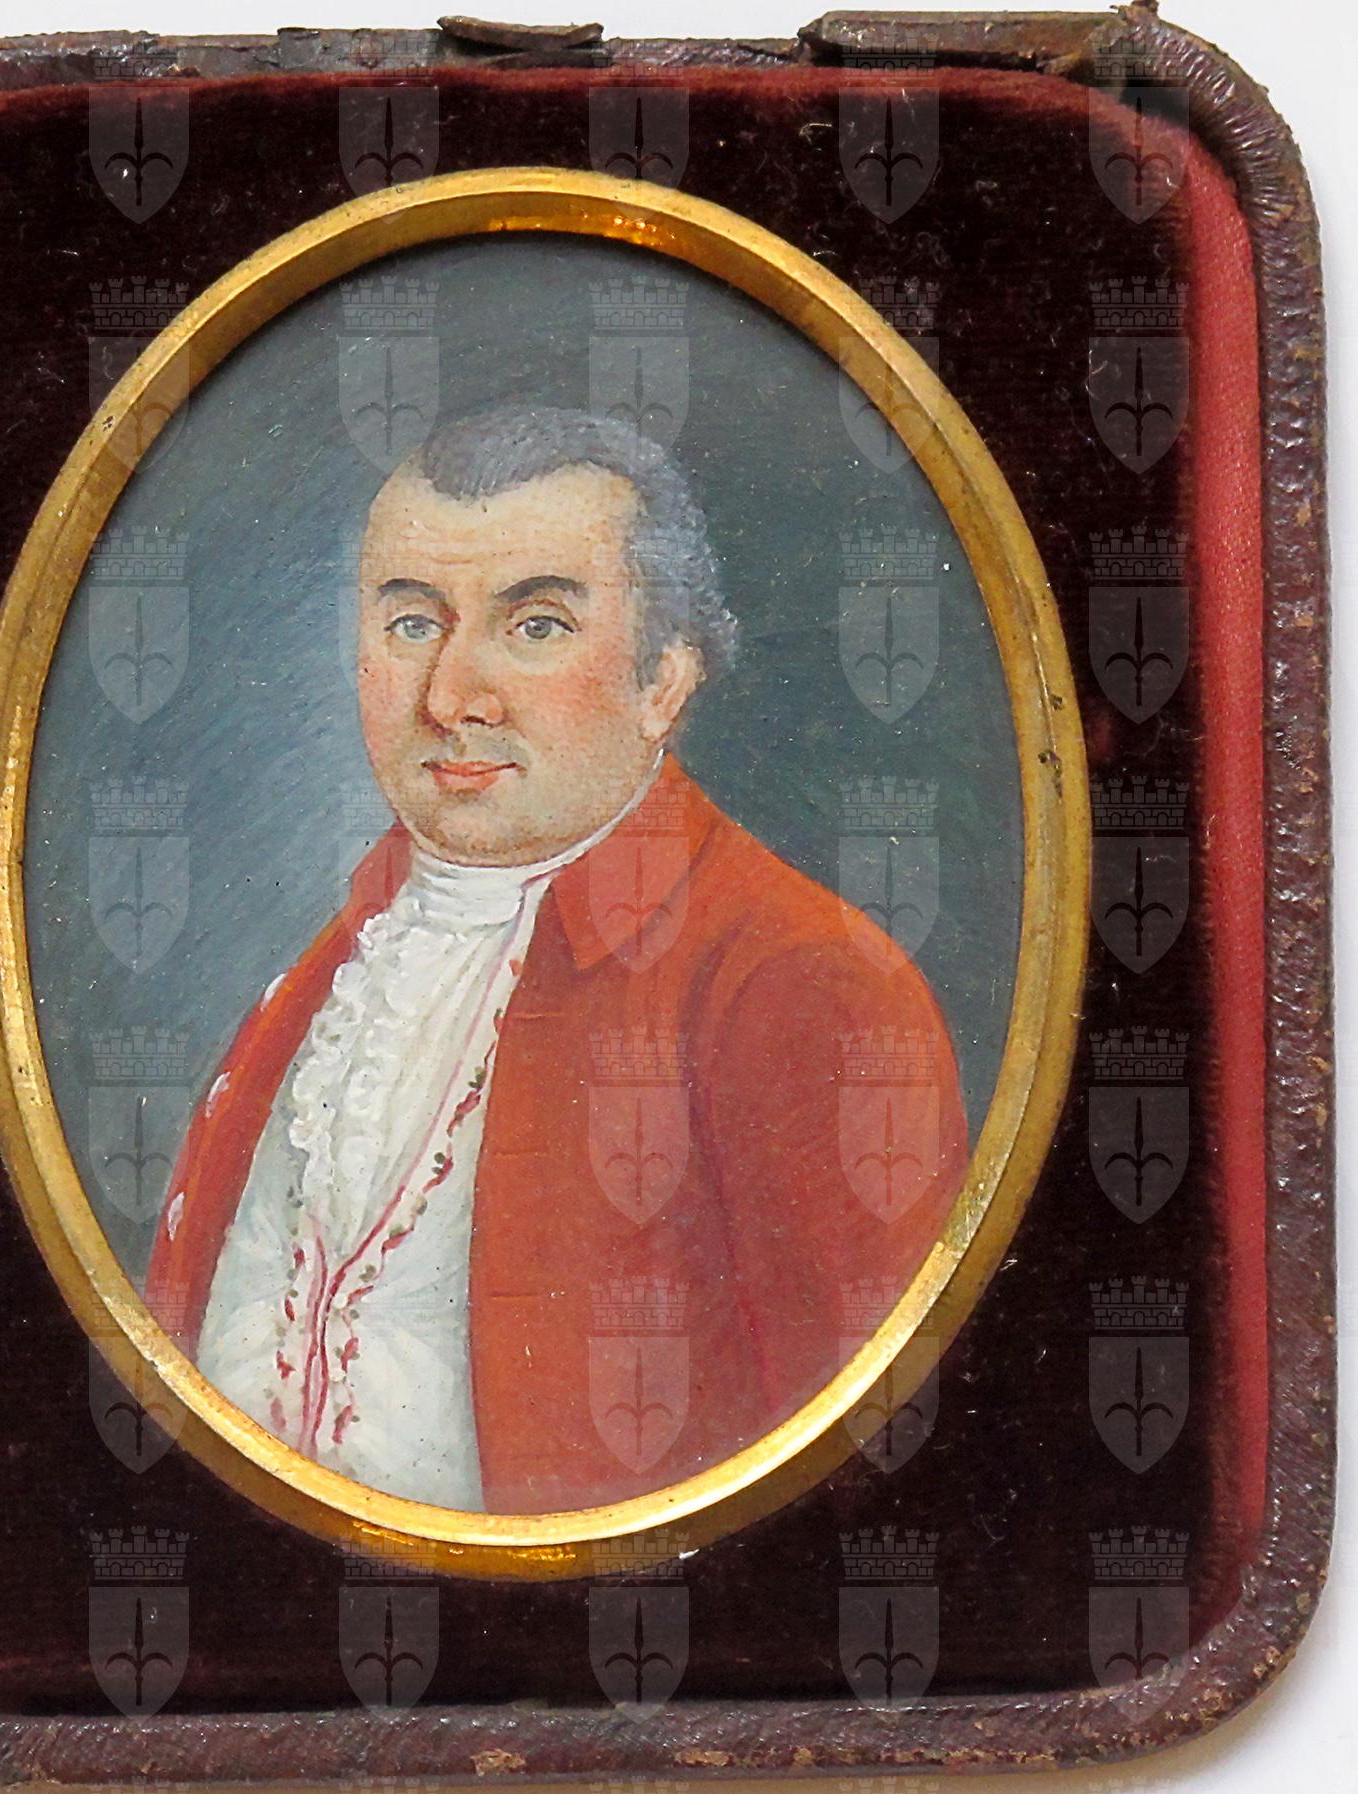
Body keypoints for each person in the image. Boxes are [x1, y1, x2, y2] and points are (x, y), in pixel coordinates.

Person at [145, 406, 967, 1514]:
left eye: (535, 626)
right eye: (411, 623)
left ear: (663, 680)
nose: (451, 699)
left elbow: (871, 1468)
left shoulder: (796, 977)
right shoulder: (342, 962)